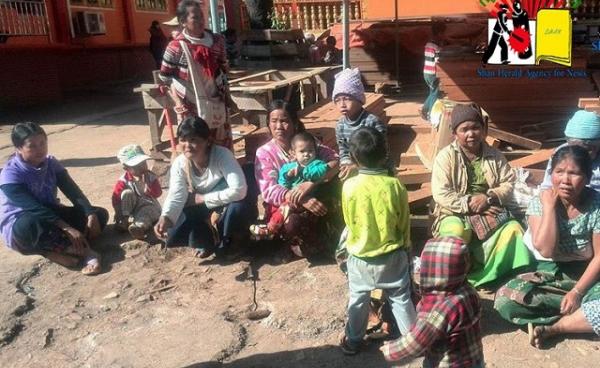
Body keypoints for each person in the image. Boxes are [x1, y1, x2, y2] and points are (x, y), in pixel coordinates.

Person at [494, 145, 600, 347]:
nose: (565, 180)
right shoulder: (539, 203)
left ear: (587, 178)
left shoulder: (597, 204)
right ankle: (580, 317)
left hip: (590, 276)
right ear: (551, 174)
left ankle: (557, 327)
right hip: (552, 275)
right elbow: (546, 250)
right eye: (559, 172)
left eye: (574, 173)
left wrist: (577, 292)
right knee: (505, 301)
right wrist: (549, 208)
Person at [431, 103, 532, 288]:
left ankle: (494, 276)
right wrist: (469, 202)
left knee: (514, 229)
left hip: (489, 206)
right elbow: (440, 192)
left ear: (483, 130)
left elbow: (509, 182)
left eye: (476, 128)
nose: (471, 134)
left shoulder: (495, 155)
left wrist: (489, 197)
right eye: (464, 129)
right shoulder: (445, 157)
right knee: (455, 234)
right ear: (454, 133)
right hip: (454, 211)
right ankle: (455, 281)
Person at [339, 127, 416, 355]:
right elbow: (404, 221)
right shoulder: (395, 185)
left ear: (353, 158)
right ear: (385, 154)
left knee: (358, 299)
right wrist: (406, 246)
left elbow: (349, 220)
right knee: (400, 298)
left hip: (360, 257)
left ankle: (353, 341)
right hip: (392, 255)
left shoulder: (348, 186)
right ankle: (412, 341)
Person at [0, 122, 108, 275]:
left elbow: (73, 192)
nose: (40, 149)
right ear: (18, 148)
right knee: (29, 226)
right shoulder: (10, 174)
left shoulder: (51, 163)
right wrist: (67, 227)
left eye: (42, 143)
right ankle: (86, 253)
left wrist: (89, 213)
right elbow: (33, 208)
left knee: (100, 215)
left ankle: (57, 250)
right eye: (32, 146)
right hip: (24, 222)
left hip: (51, 215)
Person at [154, 117, 257, 259]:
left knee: (238, 208)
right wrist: (165, 217)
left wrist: (203, 198)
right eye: (183, 140)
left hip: (228, 205)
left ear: (207, 141)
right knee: (174, 227)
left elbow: (239, 190)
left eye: (193, 140)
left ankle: (236, 241)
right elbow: (176, 194)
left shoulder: (222, 155)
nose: (187, 145)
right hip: (208, 208)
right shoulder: (180, 163)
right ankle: (207, 241)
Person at [254, 100, 341, 260]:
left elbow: (335, 160)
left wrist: (310, 183)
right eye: (274, 121)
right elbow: (269, 190)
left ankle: (327, 236)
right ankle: (302, 246)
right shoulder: (264, 153)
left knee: (338, 187)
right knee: (292, 223)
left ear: (294, 122)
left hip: (314, 192)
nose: (279, 126)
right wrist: (302, 198)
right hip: (284, 205)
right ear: (268, 124)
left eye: (284, 120)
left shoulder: (306, 142)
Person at [381, 236, 484, 368]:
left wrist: (390, 350)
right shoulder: (467, 290)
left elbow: (417, 341)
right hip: (473, 359)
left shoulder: (442, 308)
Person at [159, 0, 232, 149]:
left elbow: (224, 69)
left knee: (220, 147)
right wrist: (178, 102)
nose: (201, 21)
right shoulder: (175, 47)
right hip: (190, 107)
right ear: (183, 22)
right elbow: (165, 78)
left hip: (216, 103)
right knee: (195, 148)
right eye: (195, 17)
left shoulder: (217, 41)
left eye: (202, 16)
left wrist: (227, 96)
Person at [250, 131, 330, 239]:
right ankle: (271, 230)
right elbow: (282, 183)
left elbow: (319, 172)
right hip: (293, 198)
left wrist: (303, 171)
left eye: (310, 151)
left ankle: (271, 229)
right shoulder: (289, 167)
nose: (306, 154)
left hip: (312, 196)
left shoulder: (317, 164)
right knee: (284, 208)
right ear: (293, 153)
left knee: (286, 207)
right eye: (302, 151)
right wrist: (288, 176)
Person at [333, 68, 387, 181]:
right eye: (337, 100)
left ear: (359, 99)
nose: (342, 104)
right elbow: (343, 149)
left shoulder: (372, 122)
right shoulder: (340, 126)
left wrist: (357, 167)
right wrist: (345, 164)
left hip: (377, 169)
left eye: (347, 99)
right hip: (353, 170)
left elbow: (383, 151)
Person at [541, 110, 600, 192]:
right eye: (587, 149)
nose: (592, 152)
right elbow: (547, 187)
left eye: (593, 148)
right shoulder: (562, 153)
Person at [112, 144, 162, 240]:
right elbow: (116, 197)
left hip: (149, 205)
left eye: (143, 164)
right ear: (126, 168)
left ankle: (139, 228)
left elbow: (158, 193)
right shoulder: (123, 180)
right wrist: (118, 211)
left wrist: (150, 190)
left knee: (146, 213)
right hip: (133, 207)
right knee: (126, 193)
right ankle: (124, 220)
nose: (142, 168)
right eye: (137, 166)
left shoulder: (151, 177)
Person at [421, 22, 445, 121]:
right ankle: (431, 115)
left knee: (432, 92)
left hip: (426, 72)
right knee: (435, 94)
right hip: (433, 73)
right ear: (439, 33)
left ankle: (424, 109)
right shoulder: (436, 47)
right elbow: (438, 60)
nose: (444, 35)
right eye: (443, 33)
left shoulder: (428, 44)